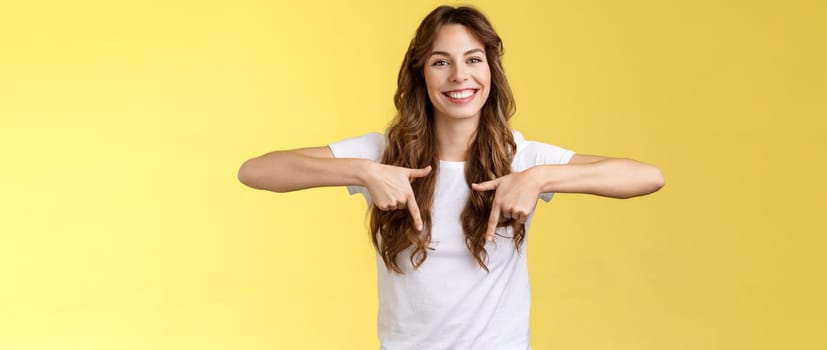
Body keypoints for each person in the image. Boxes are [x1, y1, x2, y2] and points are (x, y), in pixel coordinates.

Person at [238, 5, 664, 350]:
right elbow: (256, 170)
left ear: (491, 72)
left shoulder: (522, 156)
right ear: (421, 75)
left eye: (473, 60)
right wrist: (362, 172)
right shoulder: (381, 154)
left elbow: (647, 176)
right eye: (442, 62)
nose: (460, 76)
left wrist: (540, 178)